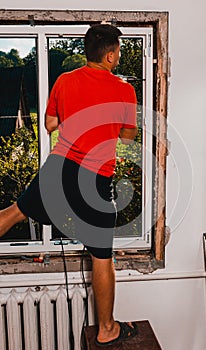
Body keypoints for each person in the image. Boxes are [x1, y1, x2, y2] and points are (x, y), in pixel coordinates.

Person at [0, 24, 138, 346]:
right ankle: (107, 329)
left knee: (13, 213)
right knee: (101, 257)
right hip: (94, 179)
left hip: (59, 169)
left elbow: (49, 124)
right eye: (117, 50)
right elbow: (128, 136)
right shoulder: (124, 90)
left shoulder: (65, 80)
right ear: (111, 55)